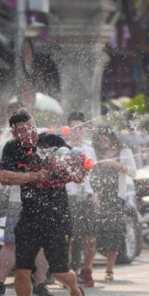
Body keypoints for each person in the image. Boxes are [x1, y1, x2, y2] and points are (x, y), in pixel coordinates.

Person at [0, 108, 86, 296]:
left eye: (31, 126)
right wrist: (33, 176)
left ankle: (75, 292)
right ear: (14, 133)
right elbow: (4, 177)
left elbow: (73, 161)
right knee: (22, 270)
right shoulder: (12, 148)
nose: (29, 133)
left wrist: (76, 169)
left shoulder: (51, 140)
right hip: (29, 216)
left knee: (60, 271)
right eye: (23, 130)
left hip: (57, 216)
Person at [92, 125, 135, 282]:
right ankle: (87, 268)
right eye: (101, 138)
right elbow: (93, 175)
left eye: (106, 137)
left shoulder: (124, 152)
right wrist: (95, 196)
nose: (104, 141)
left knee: (114, 232)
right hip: (98, 196)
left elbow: (133, 172)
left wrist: (116, 165)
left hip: (116, 197)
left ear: (112, 138)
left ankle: (109, 269)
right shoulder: (96, 153)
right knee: (94, 232)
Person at [65, 112, 99, 286]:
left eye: (81, 128)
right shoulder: (63, 148)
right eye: (74, 128)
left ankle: (87, 270)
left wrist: (96, 195)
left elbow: (94, 176)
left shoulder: (89, 150)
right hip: (69, 196)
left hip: (85, 196)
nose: (77, 131)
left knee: (90, 236)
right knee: (70, 236)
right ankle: (69, 271)